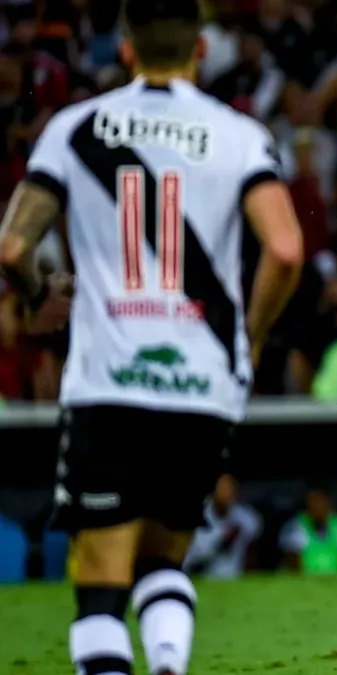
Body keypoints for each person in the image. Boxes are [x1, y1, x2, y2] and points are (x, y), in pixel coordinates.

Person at [0, 2, 304, 675]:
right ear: (200, 48)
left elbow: (14, 242)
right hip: (202, 380)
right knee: (164, 555)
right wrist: (247, 338)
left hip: (109, 377)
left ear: (127, 50)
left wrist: (37, 291)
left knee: (100, 573)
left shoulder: (73, 128)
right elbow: (284, 248)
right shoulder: (239, 135)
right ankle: (168, 664)